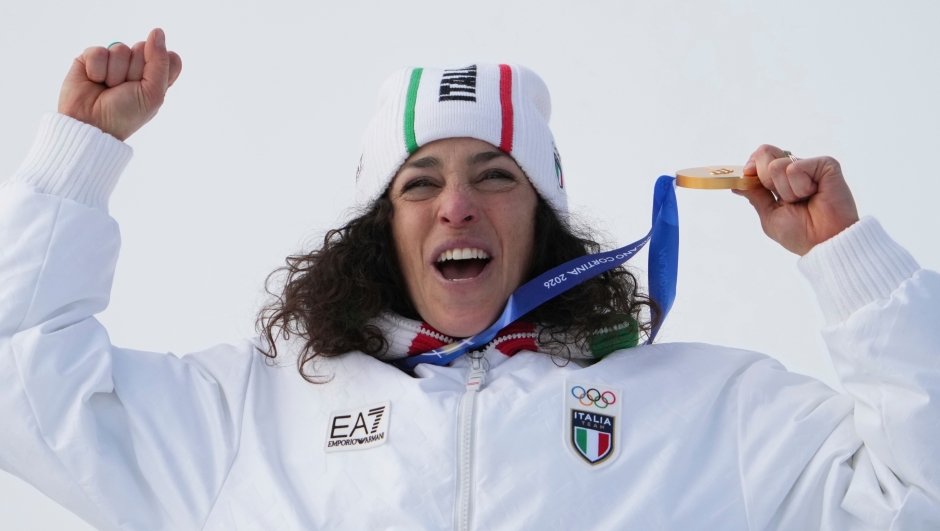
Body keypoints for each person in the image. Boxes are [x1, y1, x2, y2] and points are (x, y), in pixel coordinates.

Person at [0, 27, 937, 530]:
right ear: (380, 232)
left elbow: (918, 492)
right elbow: (20, 383)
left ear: (544, 222)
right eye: (420, 184)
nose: (457, 206)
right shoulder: (248, 418)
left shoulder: (709, 412)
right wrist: (77, 155)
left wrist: (849, 261)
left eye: (497, 176)